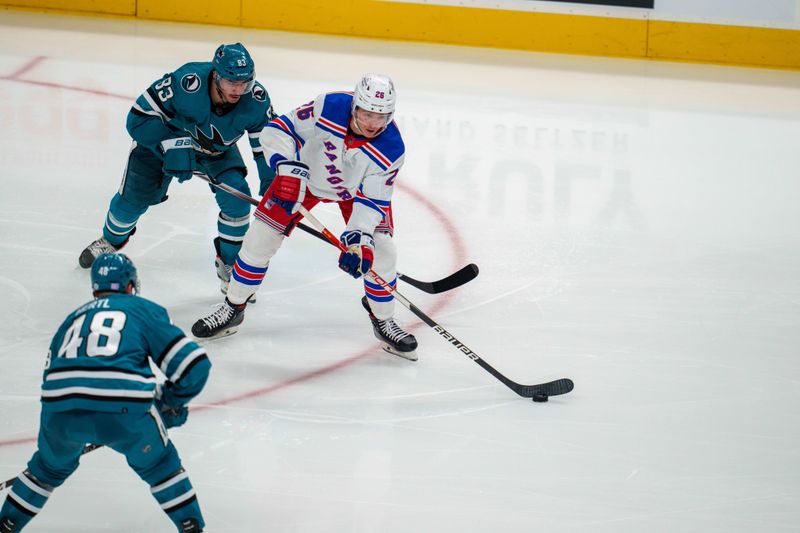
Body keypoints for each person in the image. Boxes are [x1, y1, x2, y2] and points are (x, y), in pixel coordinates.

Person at [191, 73, 419, 360]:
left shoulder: (391, 148)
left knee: (383, 251)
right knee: (259, 240)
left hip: (355, 194)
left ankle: (383, 318)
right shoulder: (329, 107)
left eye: (381, 116)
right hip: (301, 181)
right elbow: (278, 130)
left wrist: (359, 243)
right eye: (367, 113)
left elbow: (372, 201)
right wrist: (287, 168)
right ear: (354, 107)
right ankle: (233, 306)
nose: (374, 124)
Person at [0, 254, 211, 533]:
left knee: (45, 471)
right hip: (125, 410)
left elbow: (54, 378)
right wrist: (170, 402)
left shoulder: (71, 319)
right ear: (129, 285)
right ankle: (191, 528)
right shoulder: (141, 309)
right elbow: (194, 365)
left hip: (60, 413)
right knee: (161, 467)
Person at [78, 43, 276, 300]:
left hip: (216, 152)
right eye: (231, 83)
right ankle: (111, 240)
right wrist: (172, 144)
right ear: (216, 76)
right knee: (131, 204)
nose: (239, 90)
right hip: (161, 145)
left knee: (237, 203)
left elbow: (268, 146)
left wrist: (273, 182)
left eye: (245, 82)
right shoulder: (186, 81)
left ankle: (230, 265)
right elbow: (137, 118)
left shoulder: (256, 100)